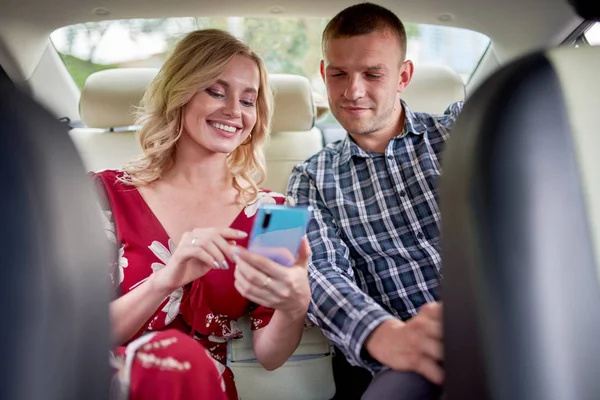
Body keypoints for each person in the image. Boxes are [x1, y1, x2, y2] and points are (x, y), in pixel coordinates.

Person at [92, 29, 312, 400]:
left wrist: (295, 305)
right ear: (179, 93)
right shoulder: (104, 194)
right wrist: (165, 280)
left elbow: (270, 356)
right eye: (215, 91)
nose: (233, 111)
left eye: (248, 100)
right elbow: (83, 332)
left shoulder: (277, 215)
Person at [287, 3, 464, 399]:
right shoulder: (308, 179)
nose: (353, 91)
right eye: (338, 74)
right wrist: (385, 335)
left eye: (372, 74)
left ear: (403, 76)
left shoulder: (461, 131)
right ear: (323, 74)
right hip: (405, 352)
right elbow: (317, 272)